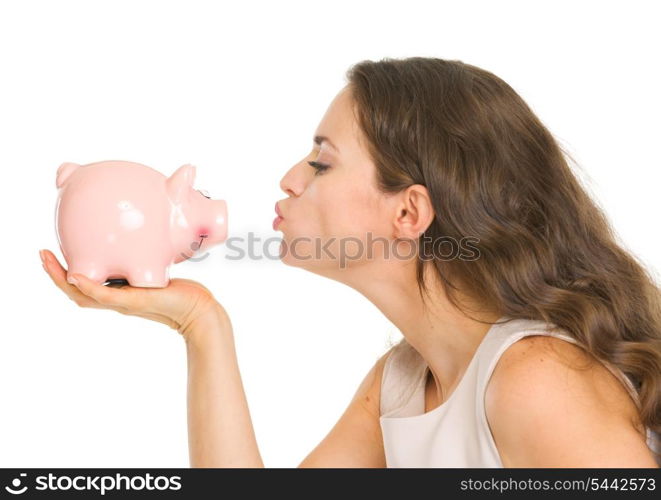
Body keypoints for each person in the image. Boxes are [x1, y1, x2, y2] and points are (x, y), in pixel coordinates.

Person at [40, 57, 661, 468]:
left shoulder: (538, 380)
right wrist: (200, 325)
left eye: (321, 161)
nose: (288, 180)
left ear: (409, 214)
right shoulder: (401, 385)